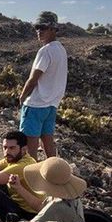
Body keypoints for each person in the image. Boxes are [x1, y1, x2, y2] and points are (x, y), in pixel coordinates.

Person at [19, 11, 68, 159]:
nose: (39, 31)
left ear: (53, 29)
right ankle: (54, 170)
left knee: (29, 150)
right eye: (37, 28)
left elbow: (33, 79)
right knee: (48, 142)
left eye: (43, 28)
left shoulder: (45, 51)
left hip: (36, 104)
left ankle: (31, 173)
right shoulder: (61, 50)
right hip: (51, 104)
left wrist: (22, 97)